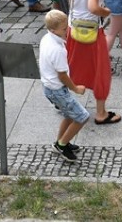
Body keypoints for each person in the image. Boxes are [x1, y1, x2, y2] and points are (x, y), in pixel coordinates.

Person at [66, 0, 119, 125]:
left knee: (72, 66)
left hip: (73, 29)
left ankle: (64, 103)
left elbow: (71, 0)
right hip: (92, 32)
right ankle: (101, 113)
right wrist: (106, 11)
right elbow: (93, 7)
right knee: (100, 70)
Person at [40, 9, 89, 163]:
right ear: (53, 30)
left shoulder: (46, 39)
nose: (67, 29)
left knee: (69, 115)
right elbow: (62, 75)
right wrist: (76, 88)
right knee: (82, 117)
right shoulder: (58, 50)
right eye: (64, 28)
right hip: (57, 90)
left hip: (49, 87)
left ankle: (61, 141)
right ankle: (62, 145)